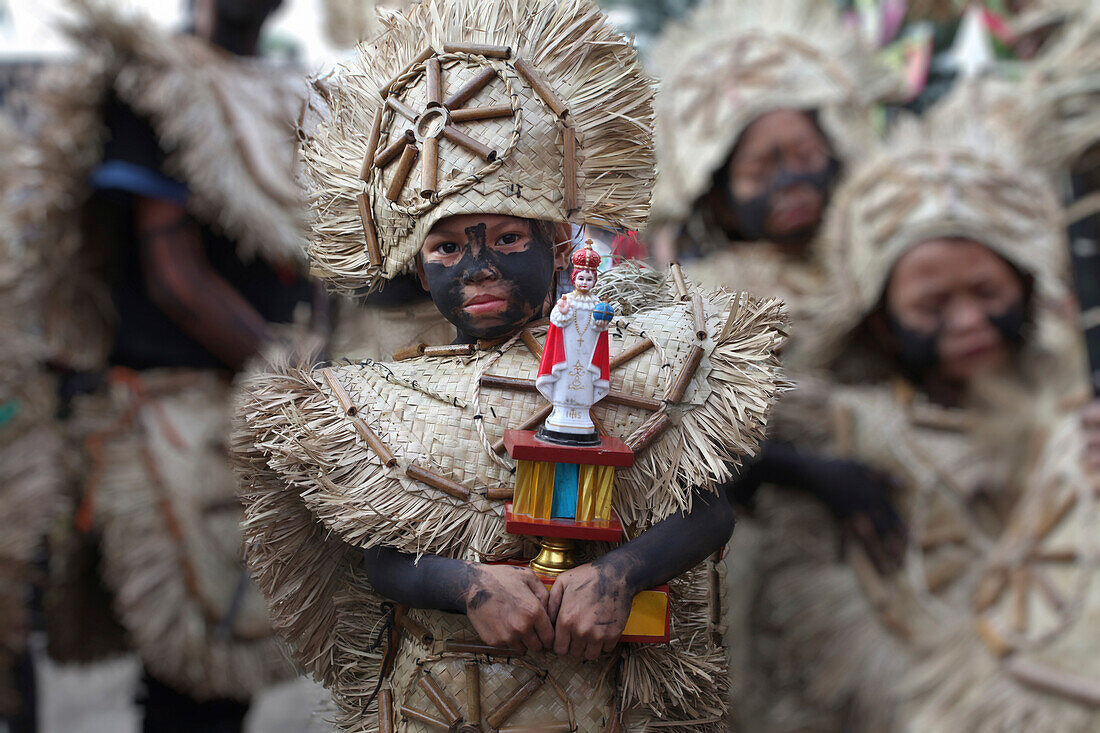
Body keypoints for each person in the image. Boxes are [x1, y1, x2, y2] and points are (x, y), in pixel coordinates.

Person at [234, 0, 788, 729]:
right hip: (442, 698)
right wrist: (467, 584)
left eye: (505, 238)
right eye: (449, 248)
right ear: (417, 263)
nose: (480, 268)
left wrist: (620, 574)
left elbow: (706, 510)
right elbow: (381, 561)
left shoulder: (636, 355)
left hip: (606, 697)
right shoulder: (381, 398)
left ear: (557, 246)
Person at [738, 79, 1096, 731]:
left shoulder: (1080, 391)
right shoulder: (851, 428)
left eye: (986, 290)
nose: (968, 320)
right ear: (880, 322)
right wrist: (808, 470)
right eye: (931, 306)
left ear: (1025, 284)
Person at [25, 1, 316, 729]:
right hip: (178, 416)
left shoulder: (290, 93)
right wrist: (295, 376)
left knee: (224, 679)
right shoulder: (155, 79)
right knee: (196, 679)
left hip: (256, 408)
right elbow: (176, 282)